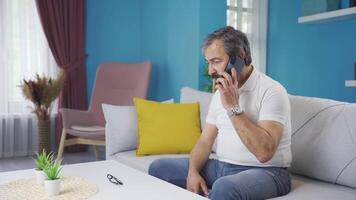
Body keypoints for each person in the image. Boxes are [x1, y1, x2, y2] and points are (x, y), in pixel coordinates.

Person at [149, 26, 292, 200]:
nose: (210, 71)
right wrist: (192, 172)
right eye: (208, 62)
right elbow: (204, 141)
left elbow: (264, 153)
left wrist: (233, 106)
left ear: (239, 57)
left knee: (224, 187)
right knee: (159, 168)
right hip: (222, 168)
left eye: (216, 61)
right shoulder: (219, 93)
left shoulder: (272, 91)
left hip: (267, 173)